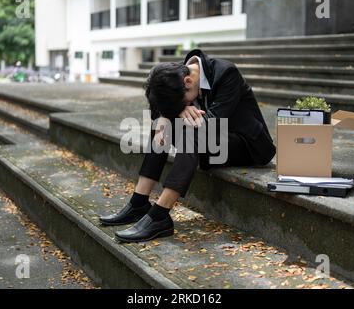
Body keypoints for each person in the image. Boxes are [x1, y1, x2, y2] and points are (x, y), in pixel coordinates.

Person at [99, 49, 276, 243]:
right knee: (161, 125)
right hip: (214, 145)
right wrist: (172, 113)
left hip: (248, 145)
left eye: (183, 102)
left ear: (188, 82)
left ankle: (159, 215)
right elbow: (158, 111)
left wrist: (177, 113)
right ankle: (139, 203)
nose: (184, 105)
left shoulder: (226, 73)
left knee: (191, 132)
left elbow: (214, 122)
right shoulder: (175, 77)